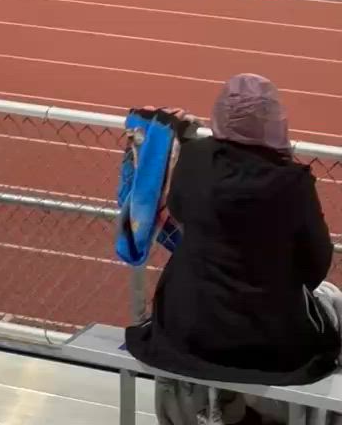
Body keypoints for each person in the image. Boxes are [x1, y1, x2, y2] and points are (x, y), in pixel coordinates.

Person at [126, 74, 339, 400]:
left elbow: (179, 209)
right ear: (274, 121)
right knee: (331, 303)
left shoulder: (193, 158)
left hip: (185, 329)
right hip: (268, 343)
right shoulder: (292, 182)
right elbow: (316, 264)